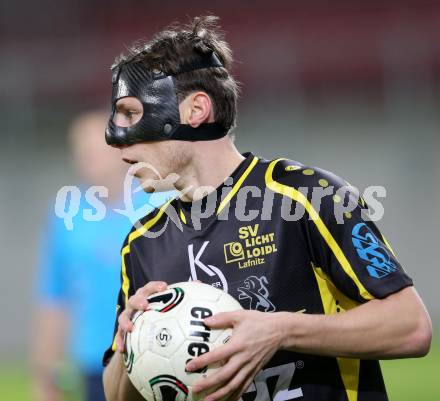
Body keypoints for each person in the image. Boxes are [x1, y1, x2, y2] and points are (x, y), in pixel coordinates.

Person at [102, 16, 432, 401]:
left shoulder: (306, 196)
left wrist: (280, 330)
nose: (115, 137)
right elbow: (116, 396)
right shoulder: (142, 242)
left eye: (130, 113)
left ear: (195, 110)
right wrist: (131, 341)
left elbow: (411, 326)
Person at [32, 111, 170, 401]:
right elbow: (54, 295)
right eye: (80, 151)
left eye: (95, 149)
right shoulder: (66, 214)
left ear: (120, 148)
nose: (87, 158)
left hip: (157, 353)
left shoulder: (159, 204)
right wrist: (44, 372)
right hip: (95, 361)